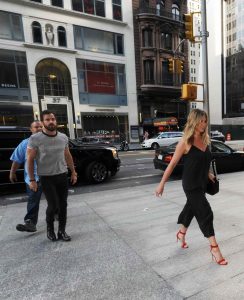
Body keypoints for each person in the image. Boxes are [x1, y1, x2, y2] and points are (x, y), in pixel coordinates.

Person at [155, 109, 228, 266]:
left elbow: (204, 161)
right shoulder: (185, 142)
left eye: (205, 121)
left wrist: (208, 174)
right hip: (190, 184)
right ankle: (214, 249)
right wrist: (162, 183)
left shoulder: (204, 140)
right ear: (194, 121)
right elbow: (173, 163)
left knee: (191, 209)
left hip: (202, 182)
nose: (203, 124)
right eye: (201, 121)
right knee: (205, 212)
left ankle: (181, 234)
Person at [27, 110, 77, 242]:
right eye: (48, 119)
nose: (51, 121)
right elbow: (30, 160)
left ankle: (62, 231)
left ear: (56, 121)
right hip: (46, 177)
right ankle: (50, 229)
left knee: (63, 204)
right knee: (53, 205)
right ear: (43, 122)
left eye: (53, 119)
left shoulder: (63, 137)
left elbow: (67, 155)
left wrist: (73, 171)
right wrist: (32, 180)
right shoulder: (35, 139)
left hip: (62, 175)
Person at [10, 121, 43, 233]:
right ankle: (30, 222)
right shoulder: (25, 143)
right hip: (33, 178)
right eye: (36, 127)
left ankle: (57, 212)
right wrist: (12, 172)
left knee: (54, 197)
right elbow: (17, 159)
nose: (39, 128)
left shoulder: (48, 141)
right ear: (31, 129)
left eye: (41, 127)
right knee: (33, 200)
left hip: (49, 176)